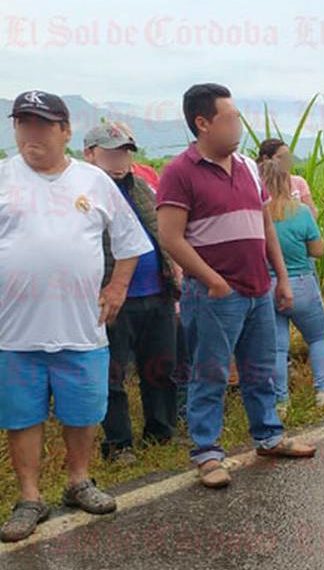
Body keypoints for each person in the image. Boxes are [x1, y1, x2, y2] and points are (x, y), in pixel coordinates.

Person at [0, 91, 153, 543]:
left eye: (42, 124)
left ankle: (78, 481)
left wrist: (117, 287)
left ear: (65, 131)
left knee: (82, 411)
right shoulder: (4, 177)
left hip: (82, 326)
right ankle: (30, 497)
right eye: (23, 123)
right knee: (21, 416)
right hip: (14, 331)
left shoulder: (94, 181)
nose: (31, 133)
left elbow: (130, 242)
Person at [158, 83, 316, 490]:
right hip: (213, 295)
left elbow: (265, 227)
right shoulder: (179, 172)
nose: (237, 127)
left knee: (261, 369)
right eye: (229, 119)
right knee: (209, 373)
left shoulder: (246, 166)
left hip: (258, 288)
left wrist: (281, 278)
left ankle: (269, 436)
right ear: (203, 123)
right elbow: (170, 237)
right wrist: (212, 280)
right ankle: (207, 453)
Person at [83, 122, 181, 466]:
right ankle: (118, 444)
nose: (119, 160)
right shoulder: (83, 196)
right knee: (112, 374)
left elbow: (159, 233)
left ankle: (161, 431)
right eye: (111, 153)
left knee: (161, 367)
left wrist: (173, 273)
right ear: (89, 154)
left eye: (124, 152)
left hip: (157, 292)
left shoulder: (141, 187)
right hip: (110, 298)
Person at [260, 158, 324, 413]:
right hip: (301, 282)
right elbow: (318, 250)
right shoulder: (301, 212)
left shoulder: (255, 215)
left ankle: (281, 401)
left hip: (267, 285)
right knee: (318, 337)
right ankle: (323, 391)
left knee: (277, 347)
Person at [257, 138, 318, 218]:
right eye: (281, 157)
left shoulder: (299, 182)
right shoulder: (257, 184)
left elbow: (312, 213)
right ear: (266, 159)